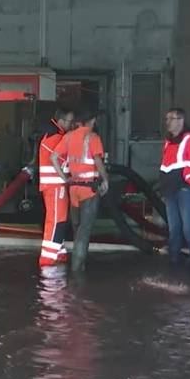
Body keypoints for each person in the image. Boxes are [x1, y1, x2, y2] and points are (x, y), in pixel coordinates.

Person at [52, 110, 109, 272]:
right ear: (92, 120)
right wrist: (106, 179)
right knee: (84, 233)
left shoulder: (69, 136)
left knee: (77, 230)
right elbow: (98, 162)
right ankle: (77, 273)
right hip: (88, 190)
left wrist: (65, 178)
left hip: (74, 189)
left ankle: (79, 267)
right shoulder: (93, 138)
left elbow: (53, 157)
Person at [160, 107, 190, 266]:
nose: (167, 122)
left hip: (184, 190)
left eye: (170, 119)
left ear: (180, 121)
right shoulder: (169, 142)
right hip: (170, 190)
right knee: (174, 226)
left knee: (188, 225)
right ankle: (175, 255)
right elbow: (166, 166)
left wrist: (188, 184)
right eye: (167, 119)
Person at [36, 107, 74, 267]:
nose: (71, 125)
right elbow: (58, 159)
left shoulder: (51, 133)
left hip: (52, 185)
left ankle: (58, 252)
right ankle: (48, 258)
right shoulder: (56, 137)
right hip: (55, 185)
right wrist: (67, 177)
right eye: (69, 121)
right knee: (57, 220)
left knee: (57, 219)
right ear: (60, 121)